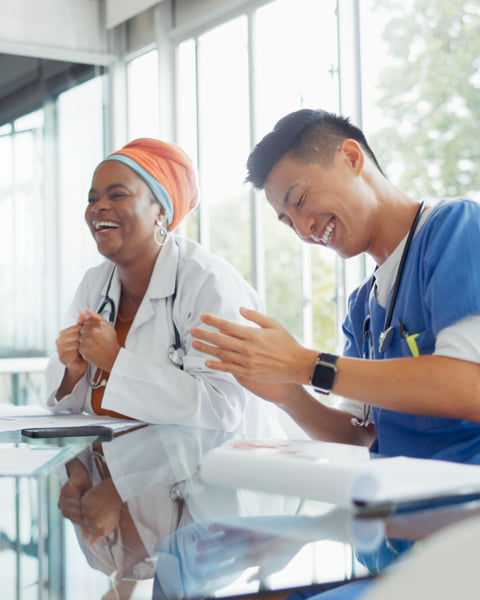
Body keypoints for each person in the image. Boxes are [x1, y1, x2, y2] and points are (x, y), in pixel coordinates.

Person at [191, 108, 480, 463]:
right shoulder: (363, 306)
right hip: (395, 499)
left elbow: (469, 386)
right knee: (206, 522)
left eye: (299, 200)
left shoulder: (457, 229)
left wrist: (303, 362)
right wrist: (289, 393)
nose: (303, 229)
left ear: (351, 157)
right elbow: (357, 437)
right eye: (287, 221)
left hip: (462, 500)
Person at [46, 138, 284, 436]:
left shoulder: (208, 282)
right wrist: (72, 372)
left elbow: (221, 408)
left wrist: (114, 360)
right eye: (92, 199)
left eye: (117, 195)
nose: (99, 207)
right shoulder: (95, 283)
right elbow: (62, 400)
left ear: (161, 211)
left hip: (215, 471)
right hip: (116, 466)